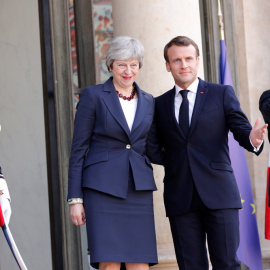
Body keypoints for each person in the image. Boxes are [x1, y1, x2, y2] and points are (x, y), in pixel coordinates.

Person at [146, 36, 267, 269]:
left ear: (198, 61)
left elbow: (241, 129)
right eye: (177, 60)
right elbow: (152, 147)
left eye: (189, 58)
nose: (184, 65)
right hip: (180, 197)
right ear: (168, 65)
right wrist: (176, 162)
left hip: (220, 194)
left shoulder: (221, 93)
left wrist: (253, 139)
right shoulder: (158, 104)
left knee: (227, 264)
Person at [68, 36, 158, 270]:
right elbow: (78, 150)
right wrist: (75, 199)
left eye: (134, 64)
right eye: (121, 64)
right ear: (110, 66)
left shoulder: (149, 101)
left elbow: (151, 147)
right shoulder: (93, 96)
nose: (128, 71)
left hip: (138, 189)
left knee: (140, 264)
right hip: (101, 189)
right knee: (109, 264)